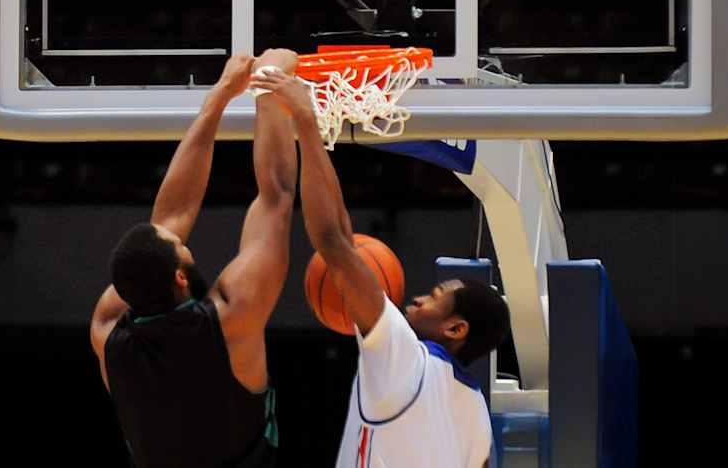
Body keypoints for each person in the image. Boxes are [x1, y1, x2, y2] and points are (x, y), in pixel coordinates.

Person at [250, 68, 511, 468]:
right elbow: (340, 238)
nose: (419, 298)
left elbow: (332, 241)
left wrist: (306, 122)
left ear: (456, 328)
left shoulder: (405, 357)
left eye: (435, 297)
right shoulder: (476, 411)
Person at [90, 50, 299, 468]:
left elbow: (170, 219)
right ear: (180, 278)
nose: (183, 236)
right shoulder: (230, 320)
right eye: (180, 245)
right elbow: (274, 197)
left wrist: (221, 95)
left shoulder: (106, 328)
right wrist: (269, 85)